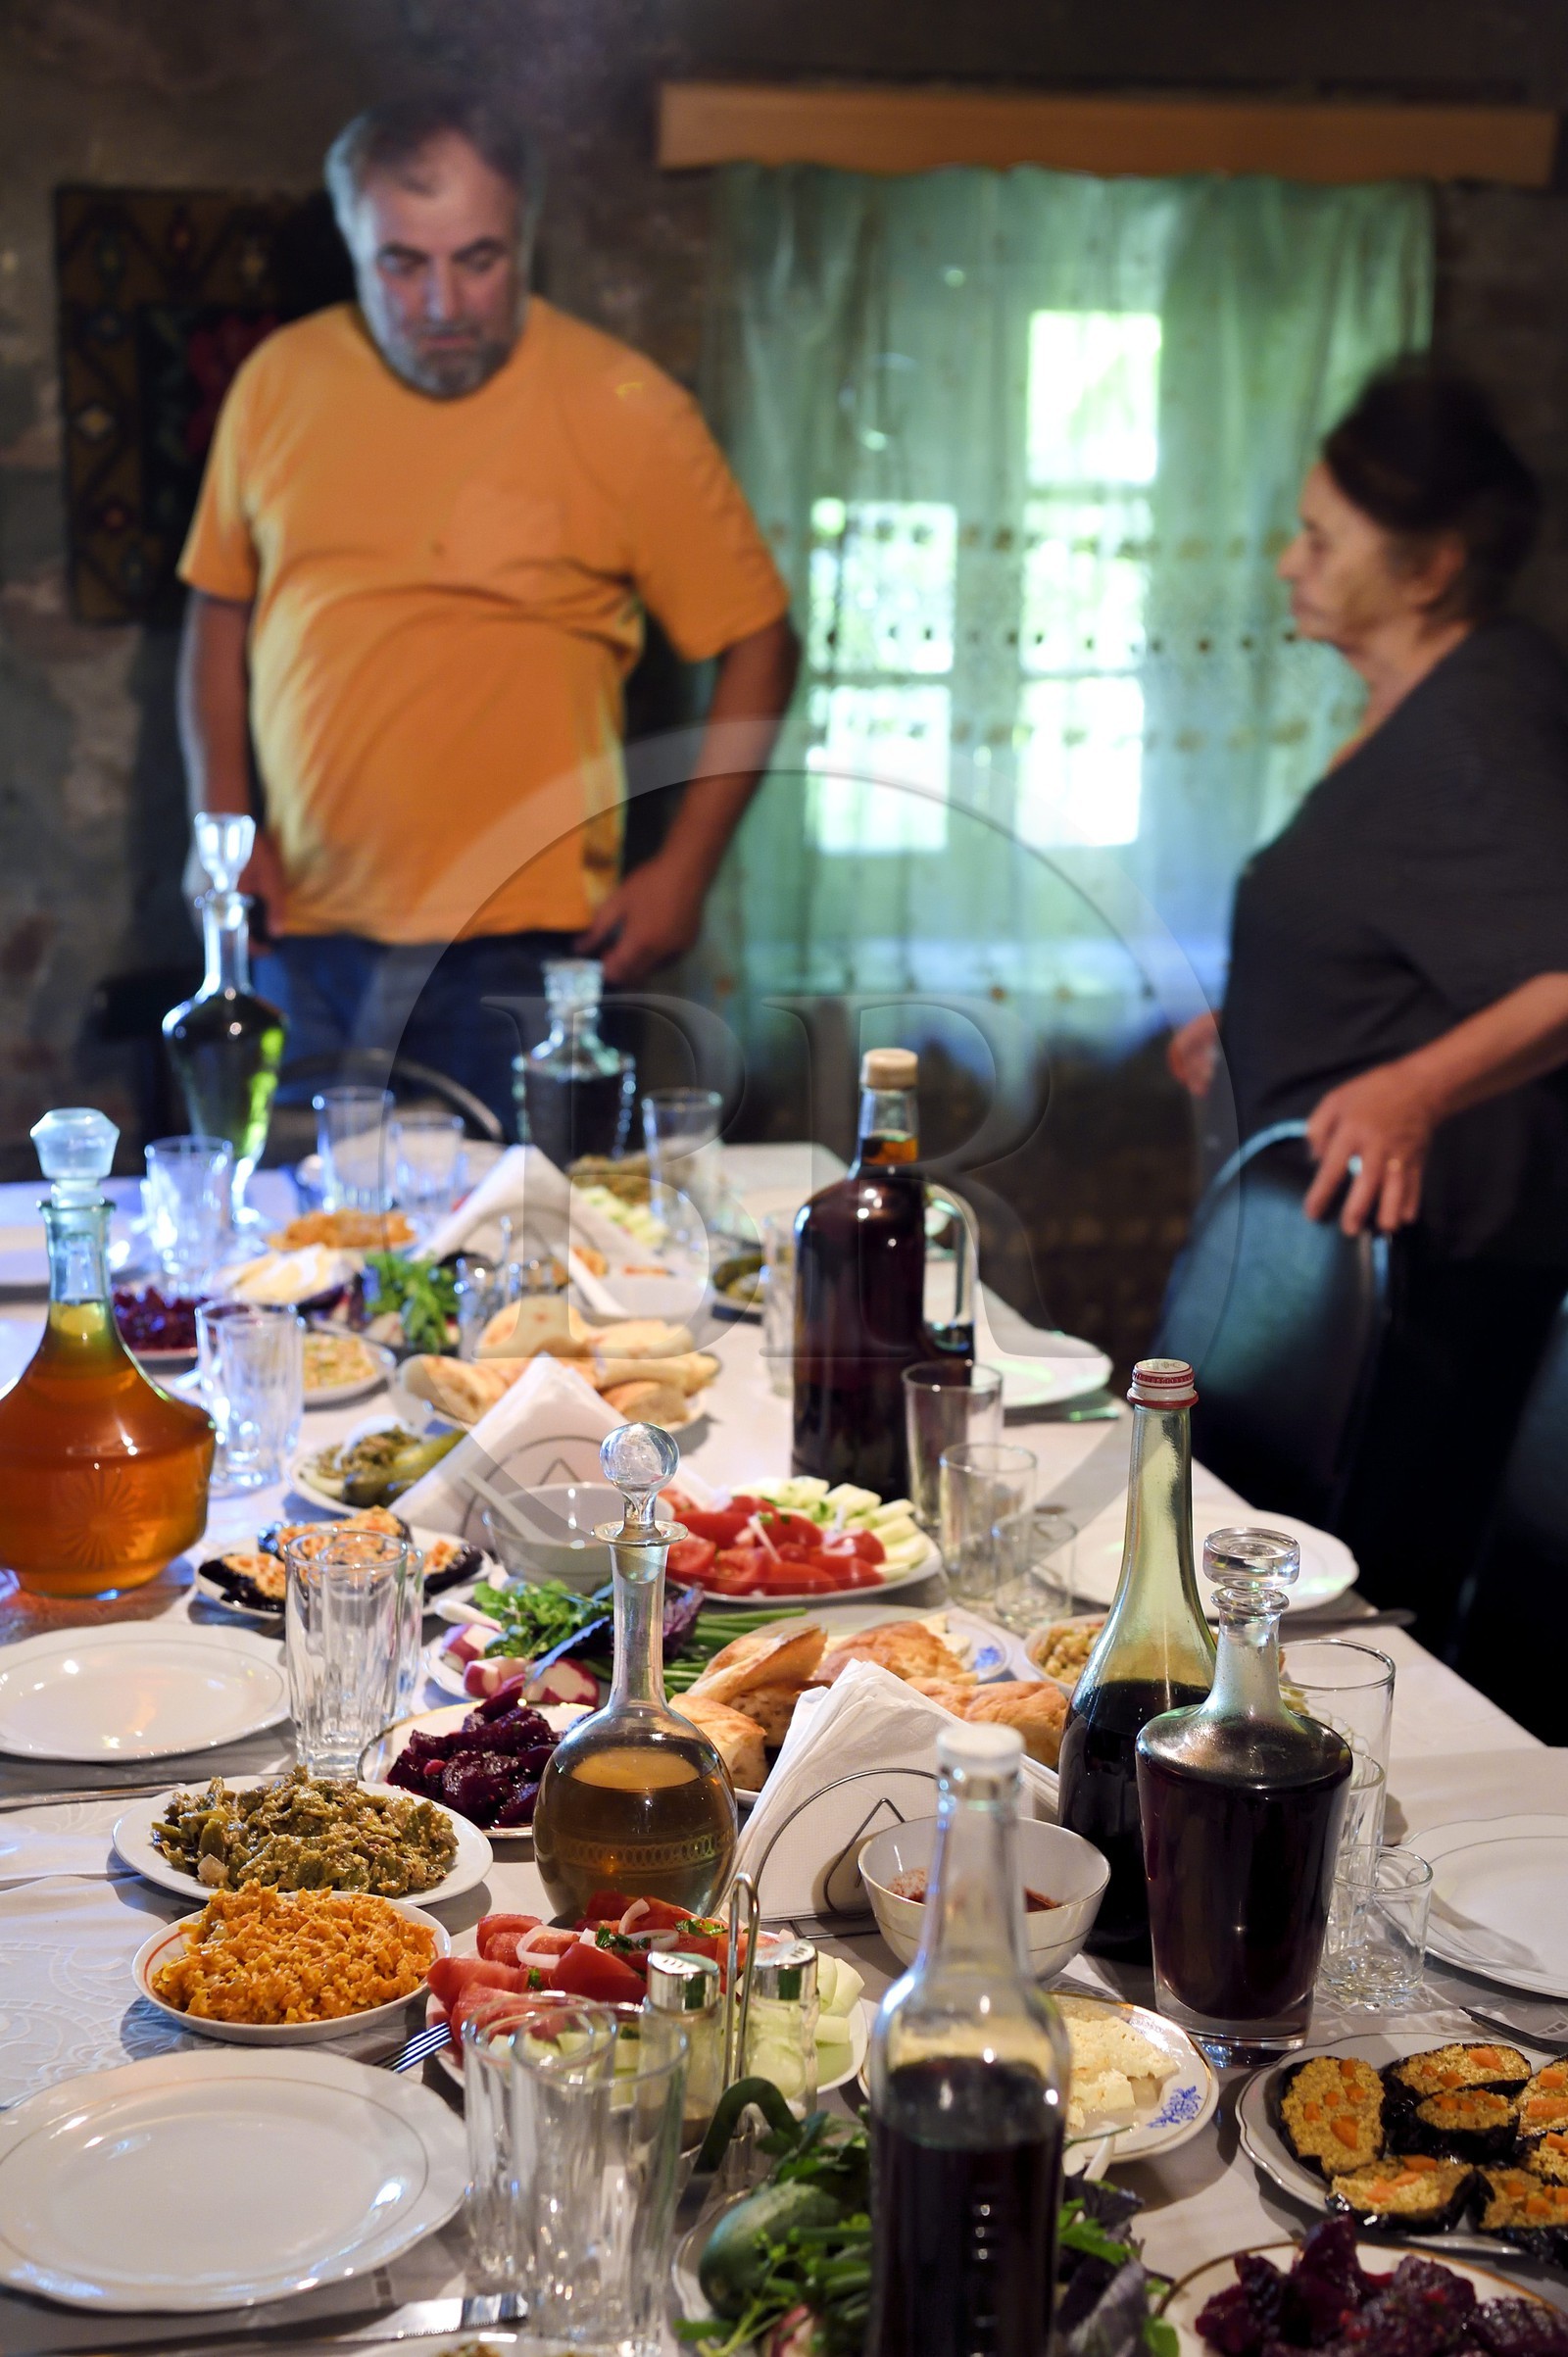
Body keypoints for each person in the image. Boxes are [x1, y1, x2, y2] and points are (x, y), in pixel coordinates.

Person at [176, 90, 798, 1131]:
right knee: (293, 1229)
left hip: (532, 941)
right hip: (299, 929)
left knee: (527, 1231)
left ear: (527, 239)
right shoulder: (278, 382)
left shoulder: (629, 408)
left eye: (477, 259)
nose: (441, 304)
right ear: (355, 243)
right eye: (400, 263)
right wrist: (222, 833)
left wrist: (685, 869)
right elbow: (218, 612)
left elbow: (760, 644)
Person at [1168, 364, 1568, 1647]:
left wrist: (1415, 1089)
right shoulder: (1424, 705)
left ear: (1430, 567)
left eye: (1321, 538)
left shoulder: (1482, 719)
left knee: (1361, 1632)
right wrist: (1265, 1009)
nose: (1289, 562)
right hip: (1350, 1281)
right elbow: (1424, 924)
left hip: (1431, 1284)